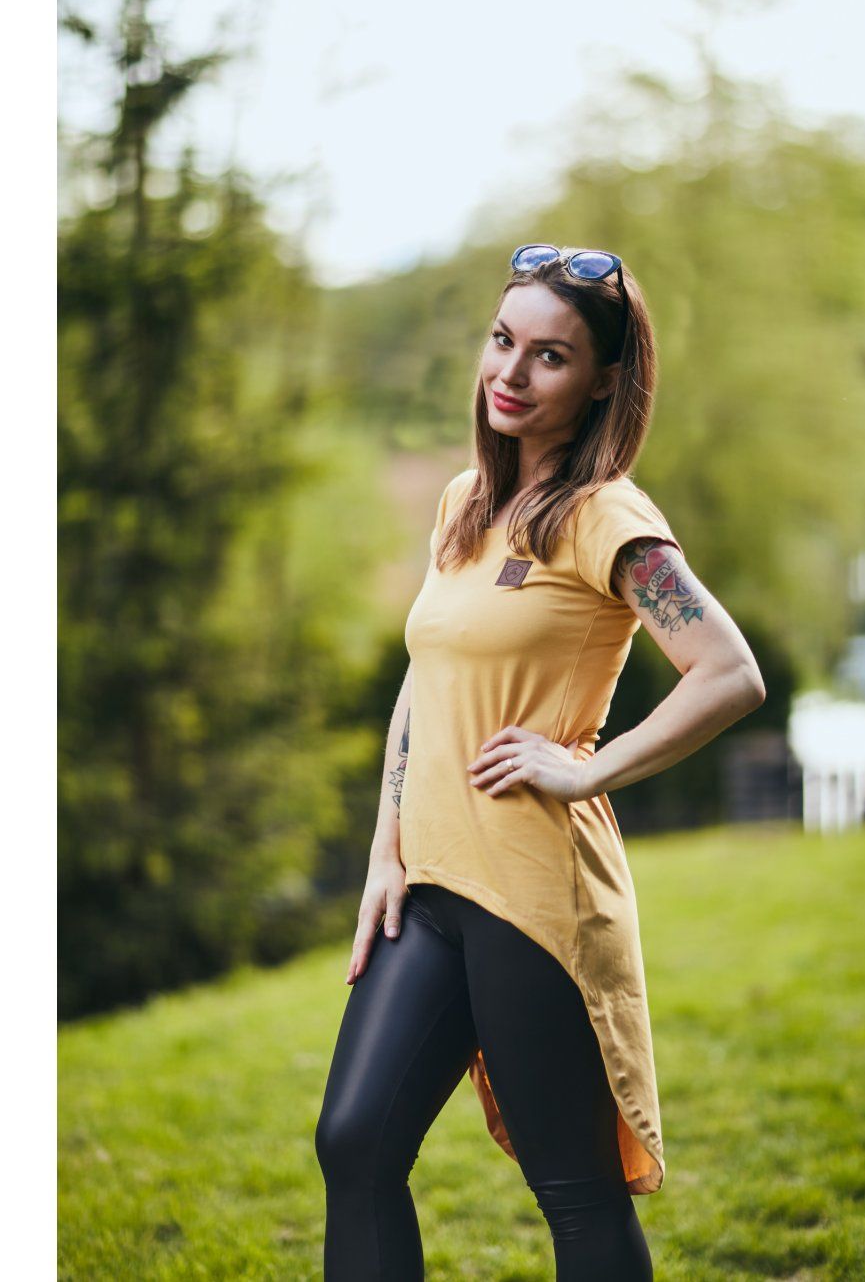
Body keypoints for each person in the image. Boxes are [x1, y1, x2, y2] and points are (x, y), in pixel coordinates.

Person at [315, 243, 767, 1279]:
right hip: (429, 885)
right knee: (354, 1141)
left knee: (574, 1192)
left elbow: (729, 672)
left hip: (532, 898)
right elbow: (424, 679)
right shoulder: (465, 502)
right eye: (502, 341)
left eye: (550, 356)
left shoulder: (606, 517)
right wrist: (385, 850)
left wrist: (584, 771)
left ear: (603, 380)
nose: (511, 373)